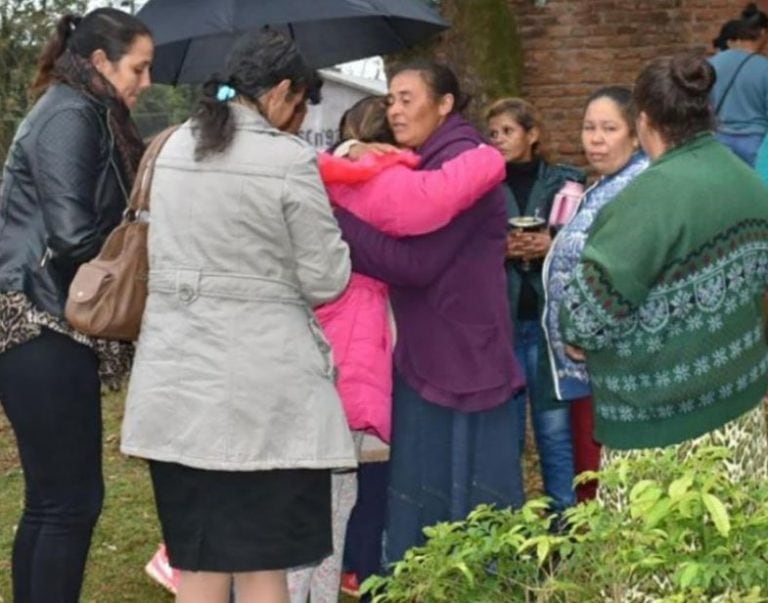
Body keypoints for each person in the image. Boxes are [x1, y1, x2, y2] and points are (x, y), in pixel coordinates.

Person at [120, 31, 356, 603]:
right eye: (300, 104)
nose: (299, 119)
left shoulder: (170, 146)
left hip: (178, 388)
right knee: (262, 568)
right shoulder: (288, 161)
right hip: (266, 398)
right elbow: (328, 278)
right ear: (279, 93)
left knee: (197, 566)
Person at [290, 96, 505, 600]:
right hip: (356, 350)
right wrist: (486, 156)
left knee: (332, 487)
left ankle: (333, 576)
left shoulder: (320, 175)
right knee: (346, 485)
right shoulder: (368, 175)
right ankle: (343, 575)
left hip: (325, 346)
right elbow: (424, 204)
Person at [335, 61, 526, 568]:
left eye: (407, 98)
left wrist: (337, 219)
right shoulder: (426, 160)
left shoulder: (463, 166)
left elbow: (413, 263)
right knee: (429, 494)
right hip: (430, 350)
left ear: (444, 104)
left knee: (463, 501)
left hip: (462, 358)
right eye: (390, 99)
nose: (395, 110)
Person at [560, 53, 768, 506]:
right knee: (734, 566)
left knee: (654, 573)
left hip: (662, 437)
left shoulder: (648, 201)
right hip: (742, 414)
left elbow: (582, 323)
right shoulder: (748, 182)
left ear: (644, 120)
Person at [0, 9, 152, 602]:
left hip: (37, 318)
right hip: (38, 317)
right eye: (138, 69)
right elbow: (72, 237)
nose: (144, 82)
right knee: (70, 503)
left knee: (51, 500)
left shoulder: (84, 109)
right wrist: (139, 256)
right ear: (99, 63)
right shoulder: (70, 114)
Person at [542, 87, 649, 502]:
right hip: (586, 371)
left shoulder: (634, 187)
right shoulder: (601, 185)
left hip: (612, 369)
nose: (596, 139)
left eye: (609, 128)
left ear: (636, 134)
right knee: (590, 476)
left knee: (608, 483)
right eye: (589, 128)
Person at [485, 98, 585, 513]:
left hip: (548, 328)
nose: (499, 140)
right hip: (502, 325)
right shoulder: (482, 187)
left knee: (554, 431)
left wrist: (551, 244)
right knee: (504, 436)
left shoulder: (565, 181)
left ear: (532, 134)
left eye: (508, 131)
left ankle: (564, 523)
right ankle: (512, 524)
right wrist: (500, 249)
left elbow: (582, 239)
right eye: (492, 134)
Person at [709, 3, 768, 166]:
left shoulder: (712, 63)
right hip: (755, 142)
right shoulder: (765, 68)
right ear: (763, 32)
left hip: (720, 139)